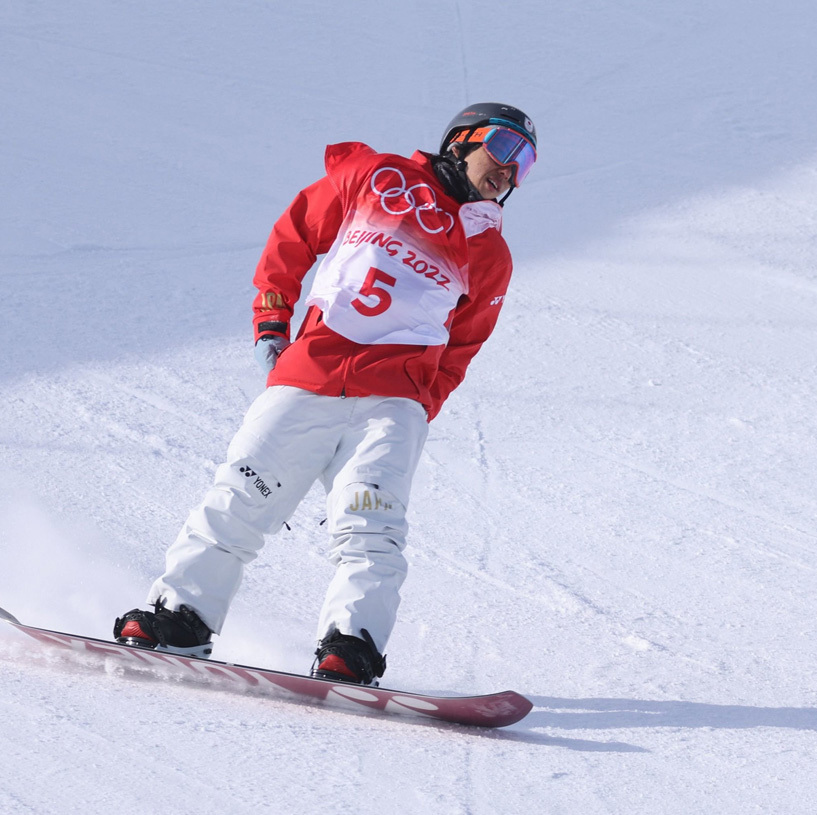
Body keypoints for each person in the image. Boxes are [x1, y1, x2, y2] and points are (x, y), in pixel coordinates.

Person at [114, 103, 538, 686]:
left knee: (371, 526)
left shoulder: (490, 253)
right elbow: (294, 235)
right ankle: (180, 618)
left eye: (527, 163)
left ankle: (350, 645)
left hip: (391, 404)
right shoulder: (378, 176)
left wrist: (419, 404)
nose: (512, 169)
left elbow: (463, 345)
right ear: (460, 141)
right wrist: (271, 321)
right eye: (506, 148)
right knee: (239, 498)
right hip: (309, 375)